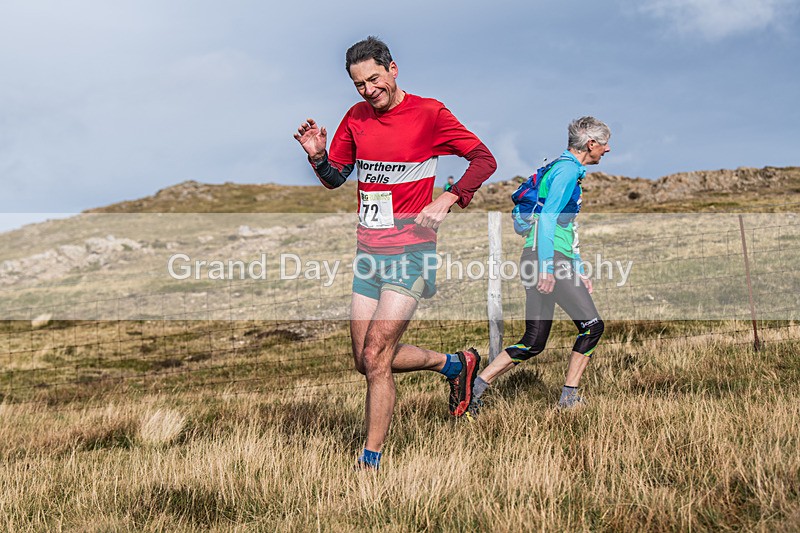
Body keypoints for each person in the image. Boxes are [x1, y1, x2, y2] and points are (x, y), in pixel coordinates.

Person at [293, 36, 496, 469]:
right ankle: (456, 365)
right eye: (359, 84)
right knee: (364, 361)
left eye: (374, 79)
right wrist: (317, 157)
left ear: (393, 69)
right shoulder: (356, 118)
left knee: (376, 355)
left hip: (412, 251)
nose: (369, 90)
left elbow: (483, 159)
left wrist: (449, 198)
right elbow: (335, 177)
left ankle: (370, 462)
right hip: (369, 253)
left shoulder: (429, 113)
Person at [463, 116, 611, 419]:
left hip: (540, 256)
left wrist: (578, 267)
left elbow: (564, 227)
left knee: (533, 341)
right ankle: (569, 398)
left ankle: (476, 386)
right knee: (592, 326)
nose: (607, 150)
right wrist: (547, 268)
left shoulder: (562, 168)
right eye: (605, 143)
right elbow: (547, 220)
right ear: (591, 144)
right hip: (549, 259)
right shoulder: (568, 171)